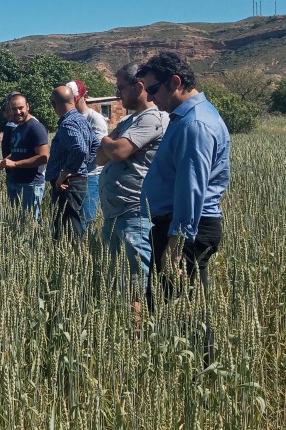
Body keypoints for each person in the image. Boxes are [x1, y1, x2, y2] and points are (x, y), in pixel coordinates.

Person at [139, 52, 230, 360]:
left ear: (175, 82)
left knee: (177, 308)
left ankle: (198, 372)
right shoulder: (188, 118)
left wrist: (176, 244)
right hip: (179, 226)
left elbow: (191, 188)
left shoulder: (195, 124)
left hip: (184, 230)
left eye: (153, 89)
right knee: (178, 304)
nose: (149, 98)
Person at [97, 62, 169, 303]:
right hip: (115, 213)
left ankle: (138, 335)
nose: (117, 94)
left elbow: (116, 153)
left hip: (135, 212)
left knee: (137, 281)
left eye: (120, 88)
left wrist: (112, 142)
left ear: (139, 87)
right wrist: (112, 141)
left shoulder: (153, 118)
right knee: (117, 279)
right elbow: (100, 155)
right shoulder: (129, 121)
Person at [44, 85, 99, 242]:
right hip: (78, 180)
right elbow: (94, 146)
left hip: (67, 184)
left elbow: (80, 149)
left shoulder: (68, 123)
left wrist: (66, 172)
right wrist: (82, 167)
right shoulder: (81, 119)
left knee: (67, 230)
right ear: (74, 100)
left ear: (54, 104)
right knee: (71, 224)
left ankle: (76, 261)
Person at [0, 92, 50, 220]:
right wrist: (0, 163)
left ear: (28, 106)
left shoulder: (35, 127)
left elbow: (43, 157)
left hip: (31, 184)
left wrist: (15, 164)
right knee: (17, 221)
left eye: (21, 108)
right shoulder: (18, 128)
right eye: (14, 109)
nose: (18, 112)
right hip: (15, 181)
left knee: (31, 223)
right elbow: (16, 153)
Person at [67, 79, 109, 233]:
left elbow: (96, 152)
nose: (72, 103)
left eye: (75, 99)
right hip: (72, 176)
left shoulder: (94, 119)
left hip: (90, 176)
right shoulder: (69, 117)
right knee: (74, 220)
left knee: (86, 218)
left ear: (84, 96)